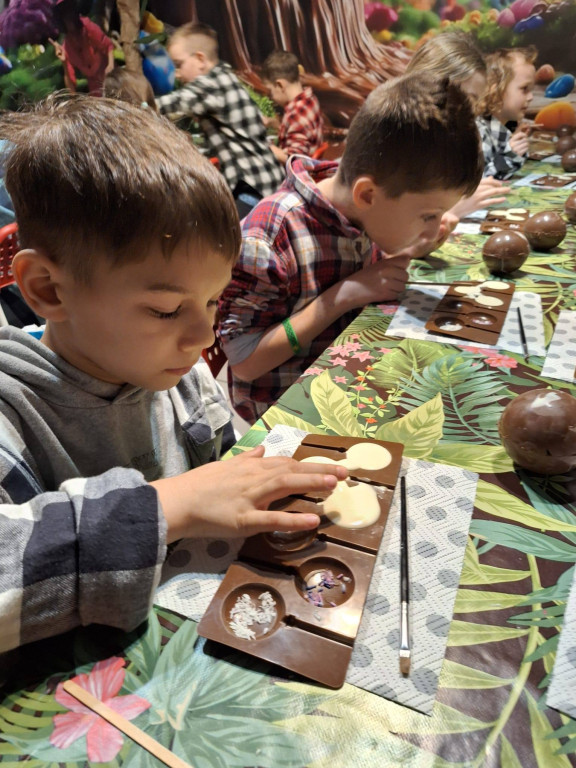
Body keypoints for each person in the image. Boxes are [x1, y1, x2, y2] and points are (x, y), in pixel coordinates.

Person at [0, 95, 348, 656]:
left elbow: (227, 467)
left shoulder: (177, 374)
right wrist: (172, 505)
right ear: (46, 289)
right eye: (165, 310)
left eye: (212, 301)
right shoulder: (13, 409)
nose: (204, 337)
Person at [218, 72, 483, 424]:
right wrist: (341, 297)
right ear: (367, 194)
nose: (436, 225)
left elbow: (375, 267)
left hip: (354, 376)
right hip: (288, 413)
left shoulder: (365, 210)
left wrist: (415, 242)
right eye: (428, 215)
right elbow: (246, 362)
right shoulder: (267, 240)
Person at [156, 22, 284, 202]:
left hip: (252, 186)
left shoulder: (211, 84)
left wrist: (137, 104)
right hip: (269, 180)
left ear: (200, 59)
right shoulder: (226, 78)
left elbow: (168, 104)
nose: (177, 74)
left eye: (179, 64)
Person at [406, 31, 510, 222]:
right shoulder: (398, 142)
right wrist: (451, 212)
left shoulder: (448, 140)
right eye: (464, 98)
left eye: (474, 102)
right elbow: (389, 233)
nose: (469, 112)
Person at [475, 47, 537, 180]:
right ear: (496, 90)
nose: (531, 96)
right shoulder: (479, 131)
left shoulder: (509, 125)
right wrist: (511, 155)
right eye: (524, 89)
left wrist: (518, 144)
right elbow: (478, 180)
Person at [261, 50, 323, 164]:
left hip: (299, 176)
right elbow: (299, 132)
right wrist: (274, 123)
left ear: (280, 85)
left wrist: (263, 146)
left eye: (270, 91)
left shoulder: (296, 113)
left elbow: (295, 159)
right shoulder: (309, 99)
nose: (271, 97)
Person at [50, 0, 115, 96]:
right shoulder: (66, 48)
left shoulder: (88, 26)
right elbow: (71, 89)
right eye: (64, 15)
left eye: (70, 11)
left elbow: (108, 45)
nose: (69, 17)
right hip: (95, 89)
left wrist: (111, 65)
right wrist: (64, 63)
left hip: (110, 78)